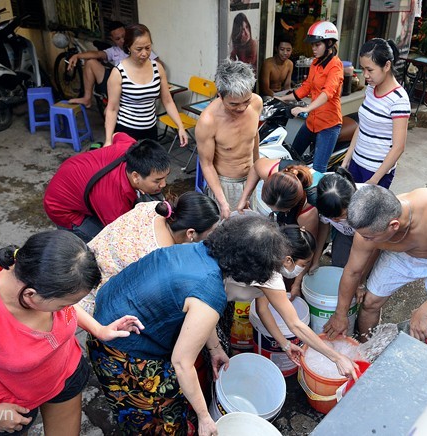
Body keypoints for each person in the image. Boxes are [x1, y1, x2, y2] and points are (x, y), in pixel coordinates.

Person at [88, 216, 355, 435]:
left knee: (176, 394)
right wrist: (205, 417)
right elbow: (182, 362)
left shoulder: (200, 249)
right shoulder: (210, 291)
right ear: (249, 273)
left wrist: (215, 348)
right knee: (155, 419)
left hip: (113, 310)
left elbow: (195, 320)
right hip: (121, 348)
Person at [0, 231, 142, 435]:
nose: (69, 308)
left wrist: (99, 329)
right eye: (64, 305)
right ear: (31, 295)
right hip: (6, 405)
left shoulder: (45, 278)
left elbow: (67, 301)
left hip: (65, 377)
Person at [323, 185, 427, 342]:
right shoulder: (366, 233)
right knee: (369, 303)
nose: (364, 240)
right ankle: (366, 349)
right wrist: (340, 314)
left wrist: (425, 311)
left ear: (394, 226)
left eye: (369, 237)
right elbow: (352, 272)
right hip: (402, 256)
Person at [225, 224, 358, 375]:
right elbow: (295, 325)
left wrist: (285, 345)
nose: (304, 268)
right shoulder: (270, 277)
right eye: (304, 264)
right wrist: (337, 358)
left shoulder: (265, 250)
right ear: (288, 260)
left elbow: (262, 310)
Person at [79, 192, 221, 315]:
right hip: (89, 300)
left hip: (79, 264)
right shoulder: (160, 257)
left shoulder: (155, 208)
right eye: (210, 233)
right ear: (191, 233)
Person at [43, 134, 171, 243]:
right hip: (61, 207)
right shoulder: (113, 200)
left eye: (165, 177)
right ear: (136, 177)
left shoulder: (130, 146)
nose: (163, 184)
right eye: (157, 181)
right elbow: (119, 236)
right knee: (100, 243)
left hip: (73, 176)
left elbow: (117, 135)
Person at [197, 59, 262, 220]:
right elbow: (206, 164)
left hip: (250, 178)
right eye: (233, 104)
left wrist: (257, 168)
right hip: (225, 186)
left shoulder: (256, 103)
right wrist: (223, 202)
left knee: (251, 228)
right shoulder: (208, 120)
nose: (241, 108)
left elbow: (254, 136)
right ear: (220, 95)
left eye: (245, 101)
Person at [341, 38, 410, 188]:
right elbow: (362, 126)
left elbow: (398, 147)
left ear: (387, 66)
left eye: (370, 70)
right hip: (356, 164)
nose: (365, 75)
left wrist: (374, 180)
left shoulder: (399, 100)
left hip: (376, 172)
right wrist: (347, 158)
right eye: (363, 68)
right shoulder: (371, 88)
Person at [104, 24, 188, 146]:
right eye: (139, 49)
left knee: (152, 164)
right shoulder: (118, 73)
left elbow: (168, 101)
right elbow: (112, 109)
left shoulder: (157, 68)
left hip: (150, 130)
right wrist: (108, 140)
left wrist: (180, 126)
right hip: (126, 131)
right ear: (128, 47)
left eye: (148, 48)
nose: (144, 53)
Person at [277, 21, 344, 173]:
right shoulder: (315, 63)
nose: (313, 48)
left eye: (317, 45)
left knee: (318, 170)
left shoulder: (335, 66)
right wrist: (284, 99)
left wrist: (305, 108)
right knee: (292, 155)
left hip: (329, 124)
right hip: (312, 120)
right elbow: (307, 87)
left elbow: (328, 93)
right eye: (312, 45)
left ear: (329, 43)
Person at [68, 21, 160, 109]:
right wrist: (78, 56)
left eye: (124, 36)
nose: (122, 40)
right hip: (116, 86)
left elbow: (159, 65)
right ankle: (87, 98)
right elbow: (97, 54)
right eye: (117, 39)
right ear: (113, 40)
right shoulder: (114, 51)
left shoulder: (140, 48)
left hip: (134, 87)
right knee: (90, 62)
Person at [311, 168, 361, 269]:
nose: (335, 220)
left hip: (370, 235)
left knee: (360, 268)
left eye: (341, 216)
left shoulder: (364, 207)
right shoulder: (326, 205)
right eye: (330, 217)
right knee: (339, 265)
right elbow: (323, 229)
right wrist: (315, 260)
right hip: (345, 233)